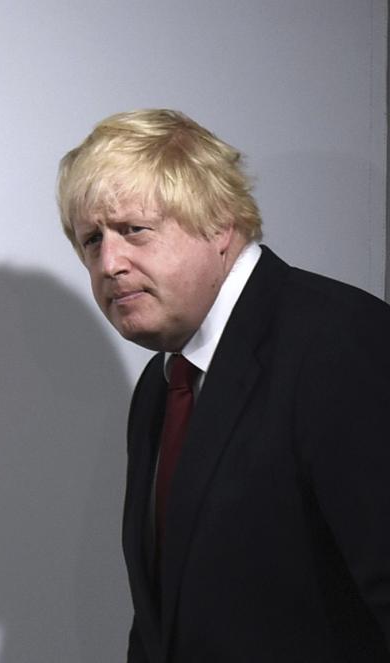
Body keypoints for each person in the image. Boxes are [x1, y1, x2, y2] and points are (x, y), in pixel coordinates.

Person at [56, 109, 390, 663]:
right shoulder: (161, 387)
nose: (109, 262)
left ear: (219, 224)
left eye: (133, 229)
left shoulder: (340, 344)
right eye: (92, 241)